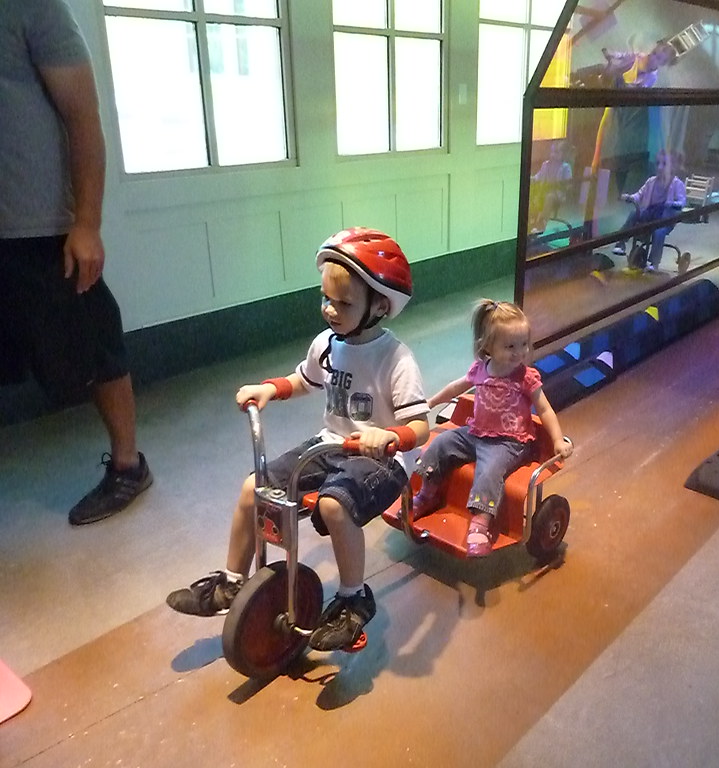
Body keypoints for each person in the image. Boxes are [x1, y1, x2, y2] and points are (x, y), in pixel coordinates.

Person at [166, 228, 430, 652]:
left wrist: (389, 436)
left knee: (333, 504)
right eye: (325, 298)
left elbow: (421, 427)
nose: (330, 310)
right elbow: (303, 379)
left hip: (382, 461)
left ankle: (353, 598)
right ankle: (233, 584)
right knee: (254, 487)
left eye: (343, 303)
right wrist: (270, 388)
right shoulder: (327, 344)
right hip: (332, 444)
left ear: (380, 305)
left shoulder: (395, 359)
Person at [0, 0, 153, 525]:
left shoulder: (30, 6)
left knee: (91, 347)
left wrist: (86, 222)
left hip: (38, 224)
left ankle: (129, 466)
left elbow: (83, 115)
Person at [410, 300, 572, 557]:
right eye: (510, 346)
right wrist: (429, 402)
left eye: (523, 345)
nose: (519, 353)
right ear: (487, 346)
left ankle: (481, 523)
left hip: (510, 442)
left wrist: (557, 440)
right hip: (476, 433)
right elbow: (456, 387)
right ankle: (427, 493)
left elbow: (545, 409)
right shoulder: (480, 370)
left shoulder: (525, 377)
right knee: (440, 444)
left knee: (489, 471)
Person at [612, 150, 687, 271]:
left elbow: (682, 201)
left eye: (664, 164)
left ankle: (654, 262)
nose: (660, 167)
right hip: (650, 211)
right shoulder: (651, 181)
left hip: (665, 216)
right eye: (657, 163)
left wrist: (673, 204)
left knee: (659, 232)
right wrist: (629, 197)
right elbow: (639, 194)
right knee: (634, 215)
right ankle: (621, 243)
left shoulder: (677, 184)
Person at [528, 140, 572, 234]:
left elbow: (568, 183)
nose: (553, 155)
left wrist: (561, 185)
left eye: (556, 152)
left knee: (549, 197)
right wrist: (530, 179)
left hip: (557, 194)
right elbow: (538, 177)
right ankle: (530, 222)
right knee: (533, 195)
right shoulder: (545, 165)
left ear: (563, 154)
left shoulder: (565, 167)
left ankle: (541, 225)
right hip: (543, 191)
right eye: (552, 151)